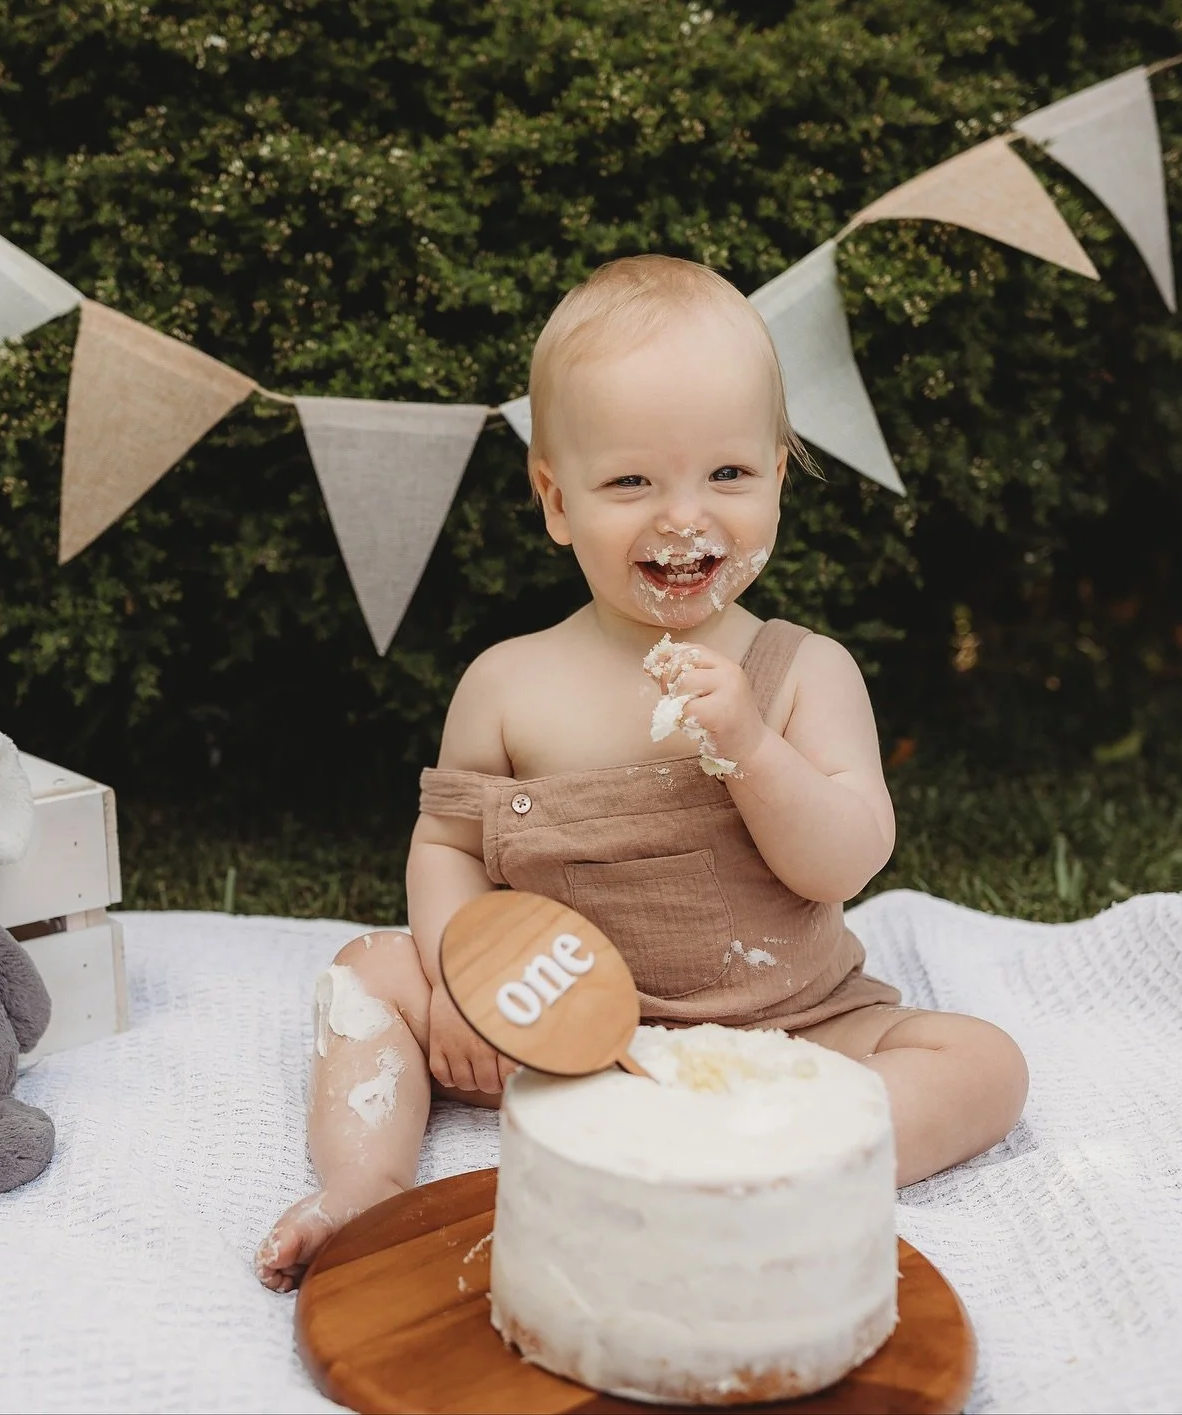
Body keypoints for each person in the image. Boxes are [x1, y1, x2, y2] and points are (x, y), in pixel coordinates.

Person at [255, 254, 1028, 1292]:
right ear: (555, 500)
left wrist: (753, 747)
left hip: (789, 1034)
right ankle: (368, 1184)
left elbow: (842, 861)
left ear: (779, 478)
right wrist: (457, 978)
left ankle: (774, 1160)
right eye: (631, 481)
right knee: (365, 972)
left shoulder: (803, 674)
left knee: (983, 1064)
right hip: (562, 1031)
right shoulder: (508, 683)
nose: (683, 514)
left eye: (728, 473)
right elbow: (445, 848)